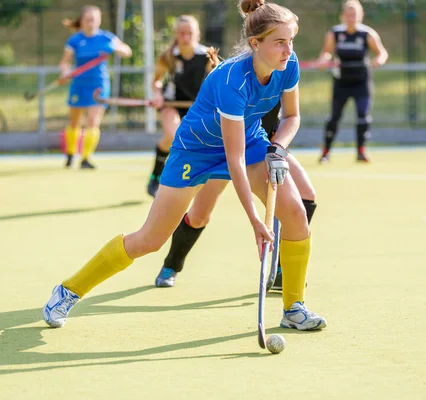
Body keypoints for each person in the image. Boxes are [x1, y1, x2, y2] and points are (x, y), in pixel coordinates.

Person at [43, 0, 327, 332]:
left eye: (290, 40)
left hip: (249, 139)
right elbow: (232, 159)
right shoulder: (231, 80)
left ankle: (294, 307)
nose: (288, 49)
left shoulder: (288, 64)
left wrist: (278, 148)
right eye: (280, 41)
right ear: (255, 43)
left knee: (294, 212)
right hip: (197, 150)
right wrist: (254, 221)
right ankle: (68, 290)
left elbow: (292, 117)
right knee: (150, 239)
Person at [154, 101, 318, 293]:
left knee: (306, 195)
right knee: (199, 216)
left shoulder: (284, 74)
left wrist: (277, 140)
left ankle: (282, 268)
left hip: (263, 147)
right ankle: (171, 264)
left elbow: (287, 115)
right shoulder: (235, 75)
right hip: (227, 152)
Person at [147, 15, 217, 197]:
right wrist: (157, 94)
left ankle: (193, 179)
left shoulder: (207, 56)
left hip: (197, 107)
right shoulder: (168, 56)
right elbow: (156, 82)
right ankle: (157, 176)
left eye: (190, 33)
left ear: (198, 34)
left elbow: (217, 82)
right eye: (182, 33)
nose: (186, 37)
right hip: (172, 104)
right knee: (173, 135)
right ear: (176, 34)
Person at [59, 5, 132, 169]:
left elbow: (127, 51)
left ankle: (85, 158)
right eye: (88, 20)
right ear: (82, 21)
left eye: (94, 20)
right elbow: (65, 62)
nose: (91, 23)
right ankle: (71, 154)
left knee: (93, 121)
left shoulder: (107, 38)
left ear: (99, 21)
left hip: (98, 85)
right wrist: (65, 72)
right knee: (74, 121)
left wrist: (116, 48)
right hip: (79, 84)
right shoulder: (75, 40)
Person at [316, 0, 388, 164]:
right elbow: (326, 53)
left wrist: (379, 60)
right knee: (334, 117)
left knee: (363, 116)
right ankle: (326, 152)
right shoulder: (335, 33)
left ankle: (361, 151)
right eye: (348, 14)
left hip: (361, 82)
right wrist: (323, 60)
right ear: (342, 16)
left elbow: (381, 53)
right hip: (341, 81)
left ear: (361, 16)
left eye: (354, 14)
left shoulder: (367, 34)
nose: (351, 18)